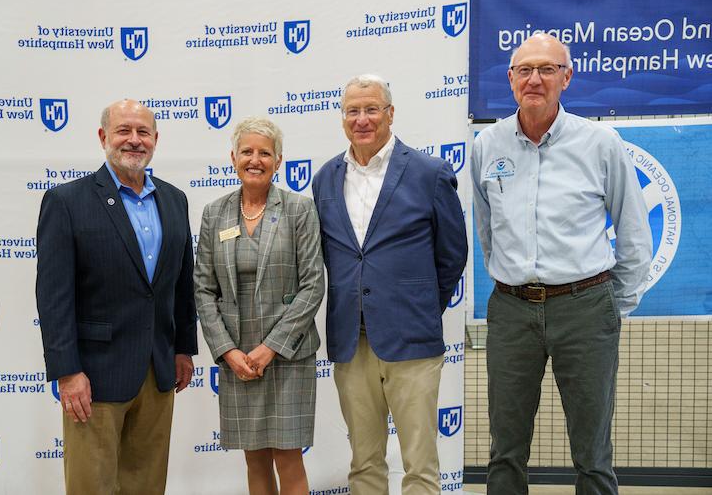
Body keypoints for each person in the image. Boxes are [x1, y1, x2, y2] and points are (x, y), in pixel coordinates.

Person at [471, 34, 653, 495]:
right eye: (524, 70)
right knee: (505, 450)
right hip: (511, 311)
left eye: (547, 70)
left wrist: (613, 306)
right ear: (510, 79)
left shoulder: (600, 143)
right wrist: (512, 279)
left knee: (593, 454)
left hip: (585, 307)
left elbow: (633, 231)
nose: (534, 79)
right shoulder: (486, 145)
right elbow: (486, 229)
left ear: (566, 78)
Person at [312, 74, 467, 495]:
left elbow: (452, 254)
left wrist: (417, 306)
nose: (362, 120)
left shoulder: (429, 172)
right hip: (350, 339)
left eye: (371, 109)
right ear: (343, 117)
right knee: (363, 463)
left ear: (390, 113)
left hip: (412, 339)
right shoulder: (325, 178)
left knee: (420, 465)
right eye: (353, 111)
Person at [35, 99, 198, 494]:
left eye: (143, 132)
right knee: (91, 485)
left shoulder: (174, 200)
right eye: (124, 130)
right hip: (94, 376)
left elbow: (181, 283)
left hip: (158, 373)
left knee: (146, 484)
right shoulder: (67, 202)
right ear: (103, 136)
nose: (134, 140)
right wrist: (67, 371)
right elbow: (53, 296)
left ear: (156, 140)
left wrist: (182, 349)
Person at [194, 117, 324, 495]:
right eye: (247, 151)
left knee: (288, 456)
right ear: (232, 157)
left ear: (278, 160)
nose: (255, 159)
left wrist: (270, 348)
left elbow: (313, 284)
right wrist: (228, 351)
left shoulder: (299, 210)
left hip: (288, 353)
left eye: (264, 153)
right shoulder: (214, 214)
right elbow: (203, 289)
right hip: (238, 357)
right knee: (254, 457)